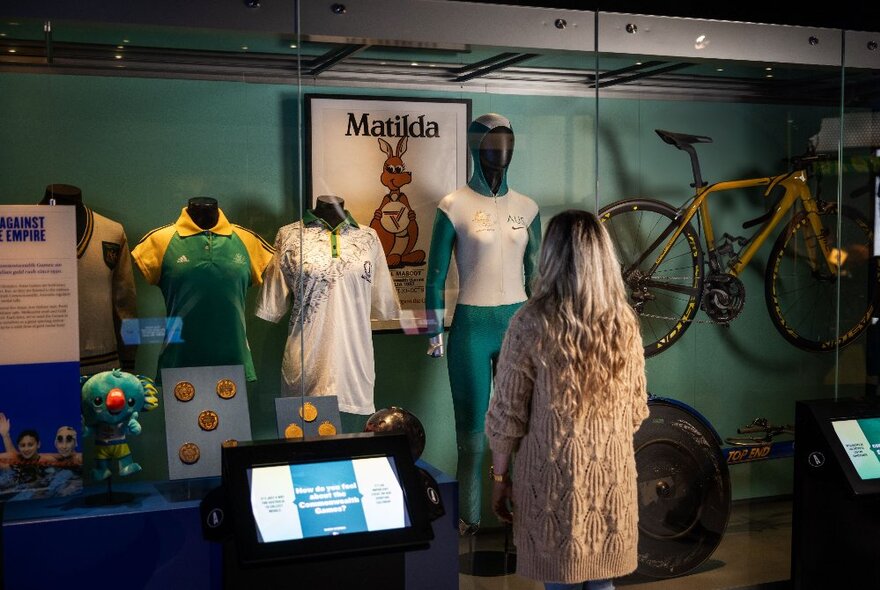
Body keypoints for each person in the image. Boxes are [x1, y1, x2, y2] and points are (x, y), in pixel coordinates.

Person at [484, 210, 649, 590]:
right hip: (612, 483)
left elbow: (507, 415)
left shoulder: (530, 322)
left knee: (561, 583)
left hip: (551, 482)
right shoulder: (623, 322)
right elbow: (638, 409)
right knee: (602, 583)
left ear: (551, 258)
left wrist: (499, 477)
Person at [424, 113, 541, 531]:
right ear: (476, 149)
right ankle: (468, 522)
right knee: (473, 433)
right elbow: (435, 275)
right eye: (492, 146)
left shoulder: (527, 208)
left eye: (507, 145)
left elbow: (539, 274)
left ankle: (523, 517)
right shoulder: (453, 205)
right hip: (471, 327)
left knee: (522, 426)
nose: (500, 155)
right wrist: (433, 331)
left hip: (519, 326)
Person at [131, 197, 275, 382]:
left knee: (231, 412)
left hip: (233, 361)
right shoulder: (158, 241)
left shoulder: (248, 241)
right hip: (178, 362)